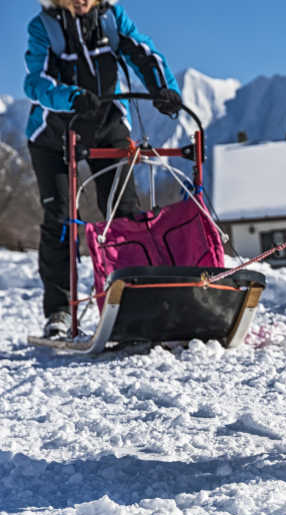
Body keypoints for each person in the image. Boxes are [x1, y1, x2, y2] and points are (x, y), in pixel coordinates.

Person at [24, 0, 183, 337]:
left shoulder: (112, 19)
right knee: (61, 220)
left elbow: (144, 53)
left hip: (107, 124)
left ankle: (135, 298)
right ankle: (59, 312)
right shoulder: (44, 27)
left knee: (125, 215)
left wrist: (163, 89)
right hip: (54, 133)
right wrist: (71, 97)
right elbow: (35, 83)